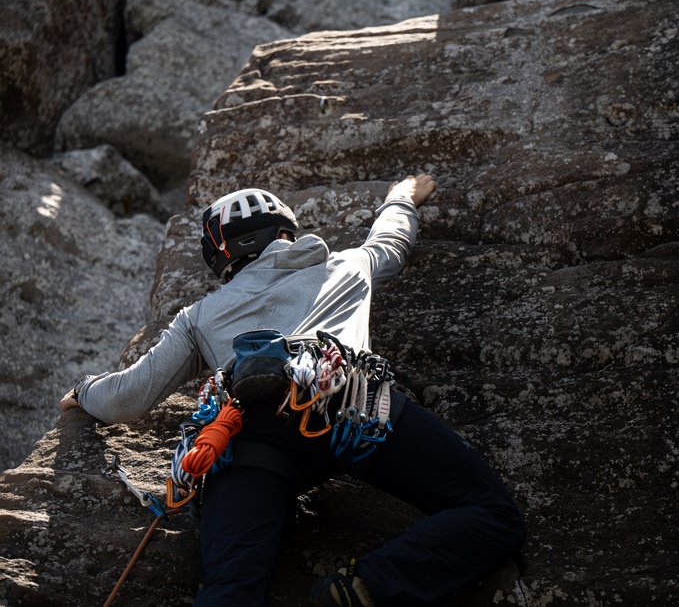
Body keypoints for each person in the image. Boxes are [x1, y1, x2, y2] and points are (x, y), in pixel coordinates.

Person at [60, 174, 526, 607]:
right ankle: (362, 587)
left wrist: (84, 390)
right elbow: (392, 242)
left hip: (247, 434)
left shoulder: (200, 315)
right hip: (347, 409)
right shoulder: (349, 266)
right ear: (285, 230)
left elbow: (129, 397)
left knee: (232, 587)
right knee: (491, 513)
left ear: (220, 255)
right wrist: (401, 196)